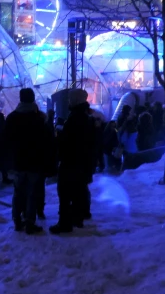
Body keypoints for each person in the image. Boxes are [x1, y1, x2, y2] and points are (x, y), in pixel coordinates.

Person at [50, 89, 96, 235]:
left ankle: (64, 223)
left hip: (71, 162)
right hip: (81, 162)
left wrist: (60, 135)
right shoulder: (85, 116)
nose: (69, 100)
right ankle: (77, 218)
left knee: (64, 193)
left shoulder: (76, 117)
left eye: (71, 98)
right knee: (78, 191)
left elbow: (69, 141)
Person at [5, 88, 45, 235]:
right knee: (32, 193)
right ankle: (29, 222)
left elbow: (6, 142)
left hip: (17, 163)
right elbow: (45, 142)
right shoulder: (39, 118)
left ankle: (16, 220)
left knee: (18, 192)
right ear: (33, 98)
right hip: (34, 163)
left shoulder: (11, 118)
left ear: (20, 99)